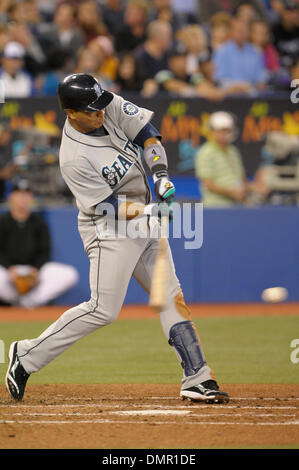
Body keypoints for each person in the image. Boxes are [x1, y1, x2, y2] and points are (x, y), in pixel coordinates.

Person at [5, 73, 229, 404]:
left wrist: (162, 175)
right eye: (91, 110)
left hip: (143, 216)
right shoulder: (73, 158)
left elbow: (147, 135)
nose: (100, 113)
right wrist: (151, 212)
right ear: (71, 112)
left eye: (100, 105)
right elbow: (109, 207)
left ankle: (197, 377)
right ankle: (25, 355)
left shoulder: (105, 104)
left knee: (169, 295)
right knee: (103, 309)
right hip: (107, 227)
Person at [0, 179, 79, 308]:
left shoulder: (38, 222)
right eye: (19, 194)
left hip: (33, 271)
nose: (22, 198)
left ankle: (30, 301)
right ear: (11, 197)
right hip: (9, 271)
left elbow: (44, 252)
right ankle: (14, 300)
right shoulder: (3, 221)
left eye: (26, 194)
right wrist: (10, 269)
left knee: (69, 274)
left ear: (30, 197)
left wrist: (36, 270)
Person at [195, 111, 252, 206]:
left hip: (237, 206)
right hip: (214, 207)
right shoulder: (205, 152)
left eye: (227, 130)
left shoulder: (233, 151)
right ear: (212, 131)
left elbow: (242, 180)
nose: (224, 134)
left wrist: (255, 188)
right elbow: (208, 184)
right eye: (221, 130)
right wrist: (232, 193)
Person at [212, 18, 269, 93]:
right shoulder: (221, 51)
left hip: (251, 93)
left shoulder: (256, 52)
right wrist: (236, 87)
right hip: (228, 94)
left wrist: (258, 84)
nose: (241, 34)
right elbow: (218, 78)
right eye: (239, 31)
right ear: (232, 32)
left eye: (244, 30)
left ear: (248, 32)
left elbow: (261, 76)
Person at [271, 0, 299, 69]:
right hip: (281, 68)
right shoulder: (275, 30)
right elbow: (272, 53)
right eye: (289, 12)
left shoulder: (298, 30)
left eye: (294, 12)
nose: (292, 15)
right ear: (283, 12)